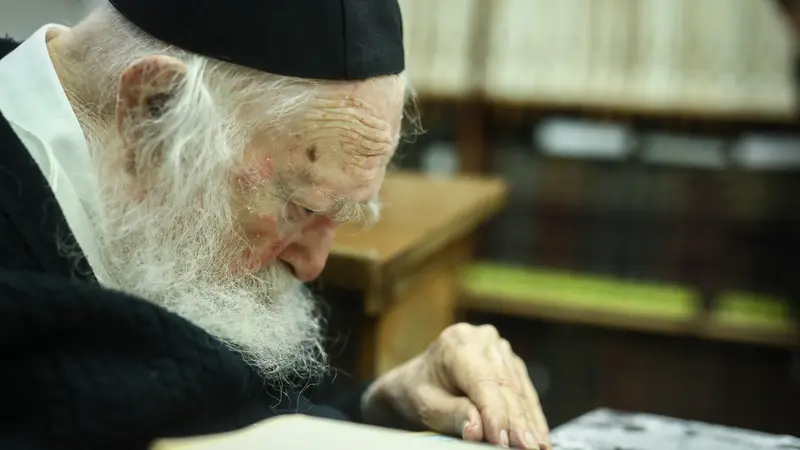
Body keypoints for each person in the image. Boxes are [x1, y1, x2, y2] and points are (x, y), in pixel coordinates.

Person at [0, 0, 549, 449]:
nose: (312, 266)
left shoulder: (181, 211)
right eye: (301, 207)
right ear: (154, 109)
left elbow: (243, 413)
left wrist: (381, 405)